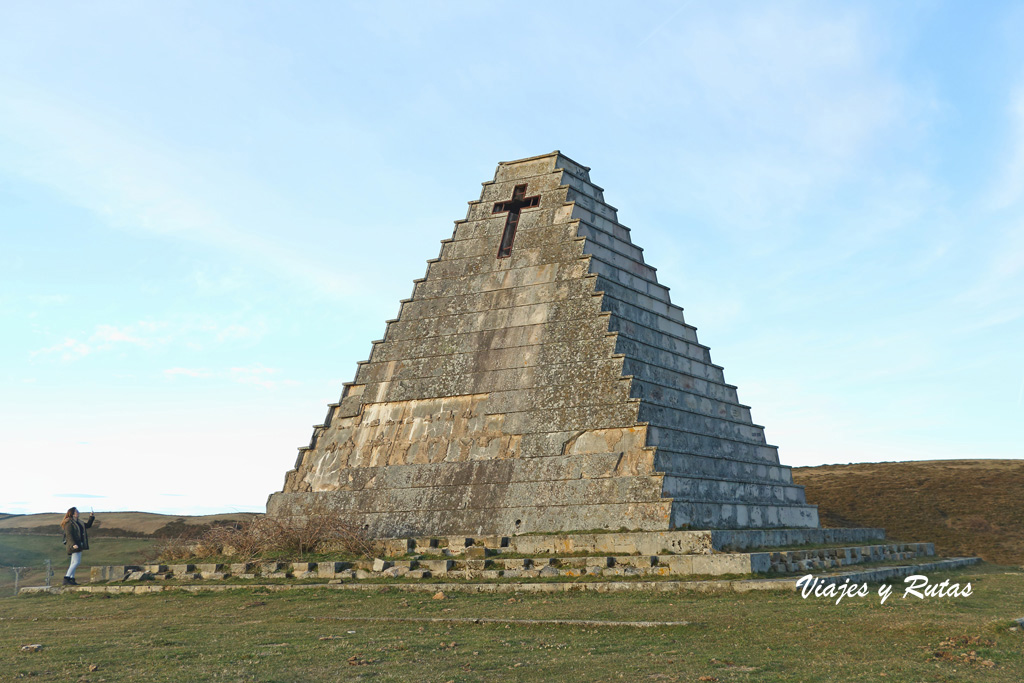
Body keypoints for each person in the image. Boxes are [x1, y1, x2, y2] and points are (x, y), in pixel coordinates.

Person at [60, 507, 95, 586]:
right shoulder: (69, 523)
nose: (78, 513)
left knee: (73, 562)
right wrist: (73, 544)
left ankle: (71, 579)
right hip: (73, 545)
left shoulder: (78, 522)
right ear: (72, 514)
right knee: (76, 562)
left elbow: (88, 525)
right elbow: (69, 535)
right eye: (76, 512)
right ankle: (66, 578)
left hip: (78, 544)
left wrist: (91, 517)